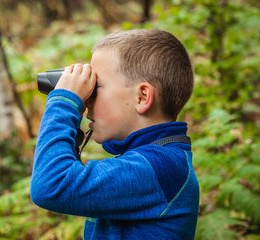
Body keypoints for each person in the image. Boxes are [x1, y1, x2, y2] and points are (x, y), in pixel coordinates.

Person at [30, 29, 199, 239]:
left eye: (96, 88)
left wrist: (64, 102)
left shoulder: (160, 167)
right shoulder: (156, 160)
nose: (87, 100)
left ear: (142, 97)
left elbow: (51, 186)